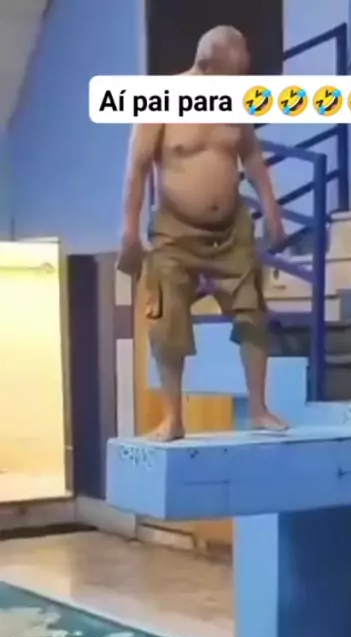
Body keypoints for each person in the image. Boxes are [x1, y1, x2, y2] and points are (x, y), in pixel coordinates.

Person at [119, 25, 288, 441]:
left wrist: (272, 211)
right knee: (167, 318)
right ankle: (172, 418)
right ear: (207, 65)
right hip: (174, 232)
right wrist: (129, 231)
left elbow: (251, 157)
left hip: (232, 229)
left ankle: (260, 409)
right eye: (233, 73)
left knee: (253, 312)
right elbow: (137, 169)